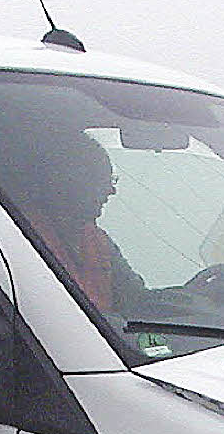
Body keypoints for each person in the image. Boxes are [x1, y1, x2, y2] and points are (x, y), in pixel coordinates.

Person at [29, 130, 145, 313]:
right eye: (102, 180)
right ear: (67, 181)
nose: (111, 191)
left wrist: (191, 294)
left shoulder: (98, 241)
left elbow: (138, 301)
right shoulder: (24, 238)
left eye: (112, 181)